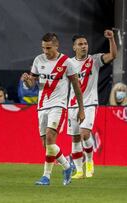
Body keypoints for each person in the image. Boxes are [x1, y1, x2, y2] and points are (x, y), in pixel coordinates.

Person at [22, 32, 85, 186]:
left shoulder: (66, 62)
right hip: (42, 106)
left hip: (59, 105)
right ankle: (67, 166)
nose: (45, 51)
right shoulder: (38, 60)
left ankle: (46, 177)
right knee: (47, 145)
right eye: (43, 48)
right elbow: (32, 85)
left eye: (48, 48)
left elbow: (77, 86)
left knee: (50, 138)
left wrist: (81, 109)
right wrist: (28, 81)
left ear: (56, 46)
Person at [67, 29, 117, 179]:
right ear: (74, 47)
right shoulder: (68, 63)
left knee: (85, 133)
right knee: (75, 138)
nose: (84, 46)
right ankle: (79, 171)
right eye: (80, 44)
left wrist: (111, 39)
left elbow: (113, 55)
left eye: (85, 43)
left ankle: (89, 161)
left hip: (89, 103)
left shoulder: (94, 60)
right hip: (72, 105)